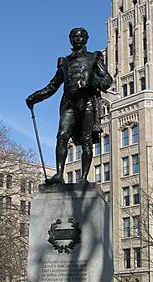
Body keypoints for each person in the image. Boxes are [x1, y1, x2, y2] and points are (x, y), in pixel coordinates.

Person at [26, 27, 112, 184]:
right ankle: (59, 174)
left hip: (87, 102)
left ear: (86, 39)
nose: (77, 39)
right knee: (62, 136)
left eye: (80, 36)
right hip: (69, 104)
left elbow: (107, 80)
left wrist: (92, 83)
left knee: (86, 140)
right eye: (74, 36)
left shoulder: (94, 58)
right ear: (70, 39)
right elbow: (53, 86)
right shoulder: (64, 62)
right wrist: (35, 97)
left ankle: (84, 178)